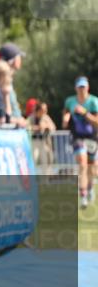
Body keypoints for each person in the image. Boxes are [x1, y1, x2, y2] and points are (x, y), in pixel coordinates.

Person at [62, 76, 98, 207]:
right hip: (77, 137)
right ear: (75, 88)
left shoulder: (94, 101)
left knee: (92, 167)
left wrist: (84, 113)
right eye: (79, 87)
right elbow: (65, 117)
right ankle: (82, 195)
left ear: (88, 87)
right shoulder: (70, 101)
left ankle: (90, 187)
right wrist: (65, 119)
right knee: (82, 163)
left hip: (92, 137)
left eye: (84, 87)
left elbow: (97, 122)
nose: (82, 90)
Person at [0, 42, 26, 126]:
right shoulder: (2, 81)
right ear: (13, 60)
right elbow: (1, 114)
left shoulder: (5, 79)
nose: (21, 59)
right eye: (19, 57)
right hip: (9, 131)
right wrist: (17, 121)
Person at [26, 99, 56, 168]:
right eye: (43, 109)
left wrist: (46, 126)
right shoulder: (31, 117)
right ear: (38, 109)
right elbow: (26, 126)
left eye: (46, 109)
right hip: (34, 142)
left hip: (44, 142)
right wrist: (36, 128)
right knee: (33, 160)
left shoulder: (46, 117)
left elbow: (53, 127)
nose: (45, 111)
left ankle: (45, 178)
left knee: (46, 161)